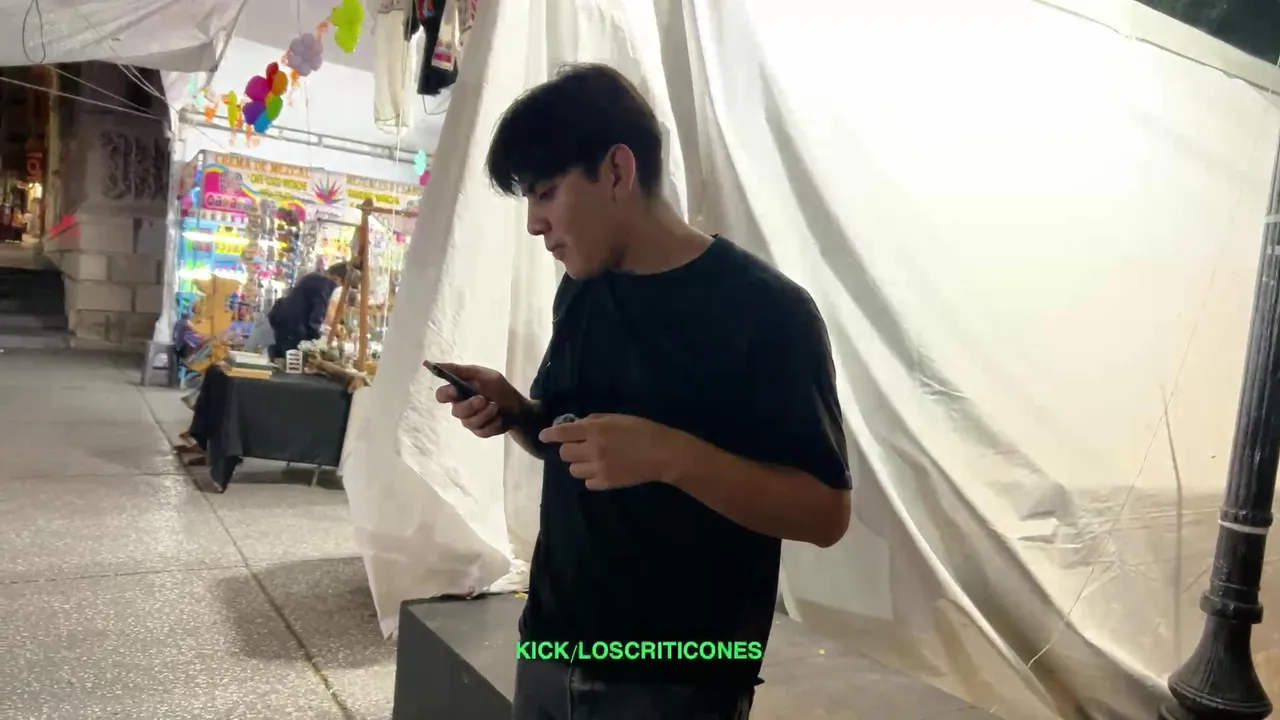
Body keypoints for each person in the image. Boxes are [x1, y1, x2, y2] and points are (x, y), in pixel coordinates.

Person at [434, 64, 852, 720]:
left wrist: (669, 456)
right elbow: (574, 441)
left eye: (545, 193)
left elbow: (826, 513)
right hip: (548, 646)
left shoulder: (768, 312)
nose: (535, 224)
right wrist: (515, 411)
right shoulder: (583, 289)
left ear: (617, 171)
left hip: (676, 680)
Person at [267, 262, 354, 360]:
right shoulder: (324, 285)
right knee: (290, 360)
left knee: (281, 357)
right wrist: (316, 342)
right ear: (337, 279)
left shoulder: (313, 278)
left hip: (282, 321)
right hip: (293, 328)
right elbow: (317, 316)